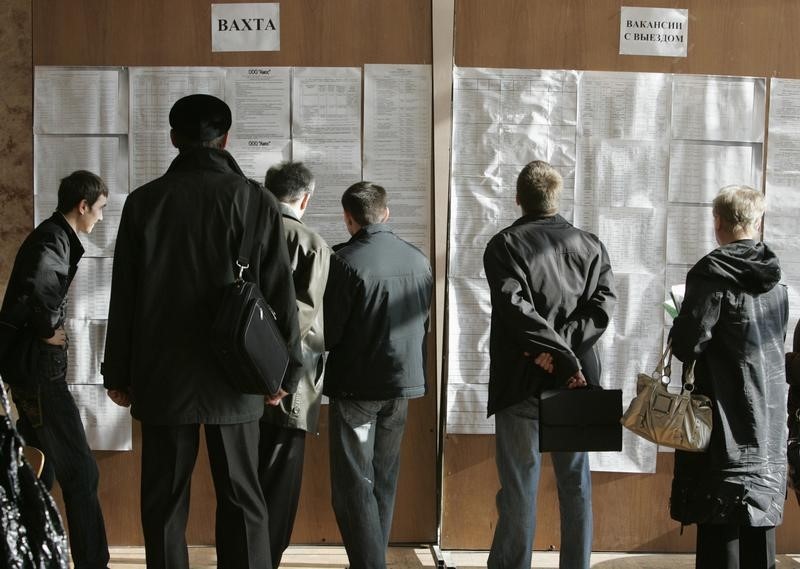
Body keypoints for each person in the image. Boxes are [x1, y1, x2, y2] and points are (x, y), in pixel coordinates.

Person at [102, 94, 301, 569]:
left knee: (165, 503)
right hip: (239, 373)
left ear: (174, 139)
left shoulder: (144, 202)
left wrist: (118, 372)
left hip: (162, 374)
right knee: (243, 498)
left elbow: (124, 294)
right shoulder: (256, 201)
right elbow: (278, 293)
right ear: (225, 138)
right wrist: (283, 374)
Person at [482, 160, 616, 569]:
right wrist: (568, 356)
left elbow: (516, 310)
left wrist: (554, 354)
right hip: (577, 380)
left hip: (523, 379)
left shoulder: (503, 245)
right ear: (556, 198)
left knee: (520, 486)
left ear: (519, 198)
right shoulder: (590, 244)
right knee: (576, 484)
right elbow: (604, 306)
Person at [669, 185, 789, 569]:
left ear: (718, 222)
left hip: (722, 420)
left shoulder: (710, 276)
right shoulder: (777, 284)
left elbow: (689, 343)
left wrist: (677, 322)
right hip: (767, 422)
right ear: (757, 222)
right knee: (759, 525)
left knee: (721, 533)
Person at [0, 170, 110, 569]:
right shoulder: (53, 238)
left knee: (38, 467)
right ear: (82, 206)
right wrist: (48, 330)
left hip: (29, 371)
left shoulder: (55, 235)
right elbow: (40, 282)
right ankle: (92, 563)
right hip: (39, 374)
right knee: (82, 474)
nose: (100, 217)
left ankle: (27, 554)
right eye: (99, 209)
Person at [322, 181, 433, 569]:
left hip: (356, 389)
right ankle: (374, 558)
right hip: (401, 387)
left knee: (353, 485)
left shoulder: (345, 262)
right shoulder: (419, 260)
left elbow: (329, 332)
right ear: (385, 213)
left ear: (348, 219)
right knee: (383, 479)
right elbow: (424, 324)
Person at [259, 161, 331, 568]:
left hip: (242, 381)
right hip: (290, 384)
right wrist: (279, 376)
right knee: (280, 485)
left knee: (244, 482)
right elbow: (302, 317)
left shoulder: (247, 236)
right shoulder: (311, 242)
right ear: (306, 197)